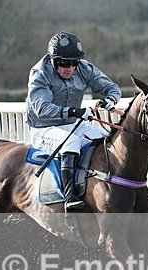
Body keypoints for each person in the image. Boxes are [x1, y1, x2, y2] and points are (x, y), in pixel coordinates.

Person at [26, 31, 121, 212]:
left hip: (71, 124)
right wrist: (74, 111)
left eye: (73, 63)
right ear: (53, 60)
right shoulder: (40, 73)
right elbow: (41, 109)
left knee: (106, 140)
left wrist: (110, 100)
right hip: (43, 128)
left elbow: (112, 87)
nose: (69, 68)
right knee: (71, 141)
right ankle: (70, 197)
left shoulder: (83, 68)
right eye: (63, 63)